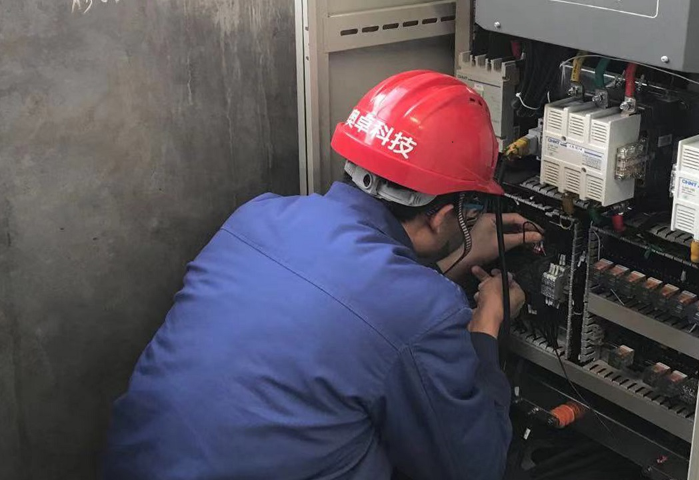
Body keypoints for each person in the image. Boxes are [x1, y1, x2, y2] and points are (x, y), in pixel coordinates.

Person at [103, 71, 542, 480]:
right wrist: (486, 328)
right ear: (444, 215)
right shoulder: (417, 309)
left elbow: (361, 311)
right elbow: (473, 466)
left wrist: (461, 258)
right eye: (470, 208)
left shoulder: (256, 217)